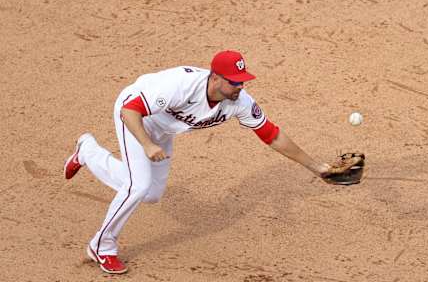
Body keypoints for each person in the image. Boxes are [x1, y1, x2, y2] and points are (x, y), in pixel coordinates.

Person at [63, 50, 330, 274]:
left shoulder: (240, 102)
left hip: (163, 129)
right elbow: (130, 110)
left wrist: (317, 168)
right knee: (138, 186)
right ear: (215, 77)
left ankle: (88, 151)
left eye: (242, 82)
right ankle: (102, 246)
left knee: (151, 194)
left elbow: (272, 135)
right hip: (136, 118)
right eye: (234, 82)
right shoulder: (179, 85)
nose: (240, 87)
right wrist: (147, 144)